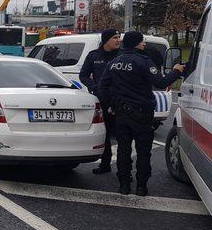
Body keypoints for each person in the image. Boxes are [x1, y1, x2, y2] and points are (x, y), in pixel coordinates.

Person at [99, 31, 185, 196]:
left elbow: (103, 86)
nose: (144, 44)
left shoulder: (114, 62)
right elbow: (160, 82)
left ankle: (123, 186)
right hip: (141, 114)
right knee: (143, 151)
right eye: (142, 41)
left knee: (123, 151)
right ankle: (141, 187)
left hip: (121, 113)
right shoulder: (144, 62)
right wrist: (176, 71)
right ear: (136, 44)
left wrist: (111, 104)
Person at [79, 29, 121, 175]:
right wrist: (94, 87)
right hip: (103, 99)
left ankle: (123, 168)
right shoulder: (94, 56)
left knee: (123, 135)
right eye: (115, 37)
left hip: (120, 100)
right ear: (106, 40)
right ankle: (105, 163)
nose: (118, 40)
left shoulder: (122, 55)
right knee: (105, 133)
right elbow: (83, 75)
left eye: (119, 37)